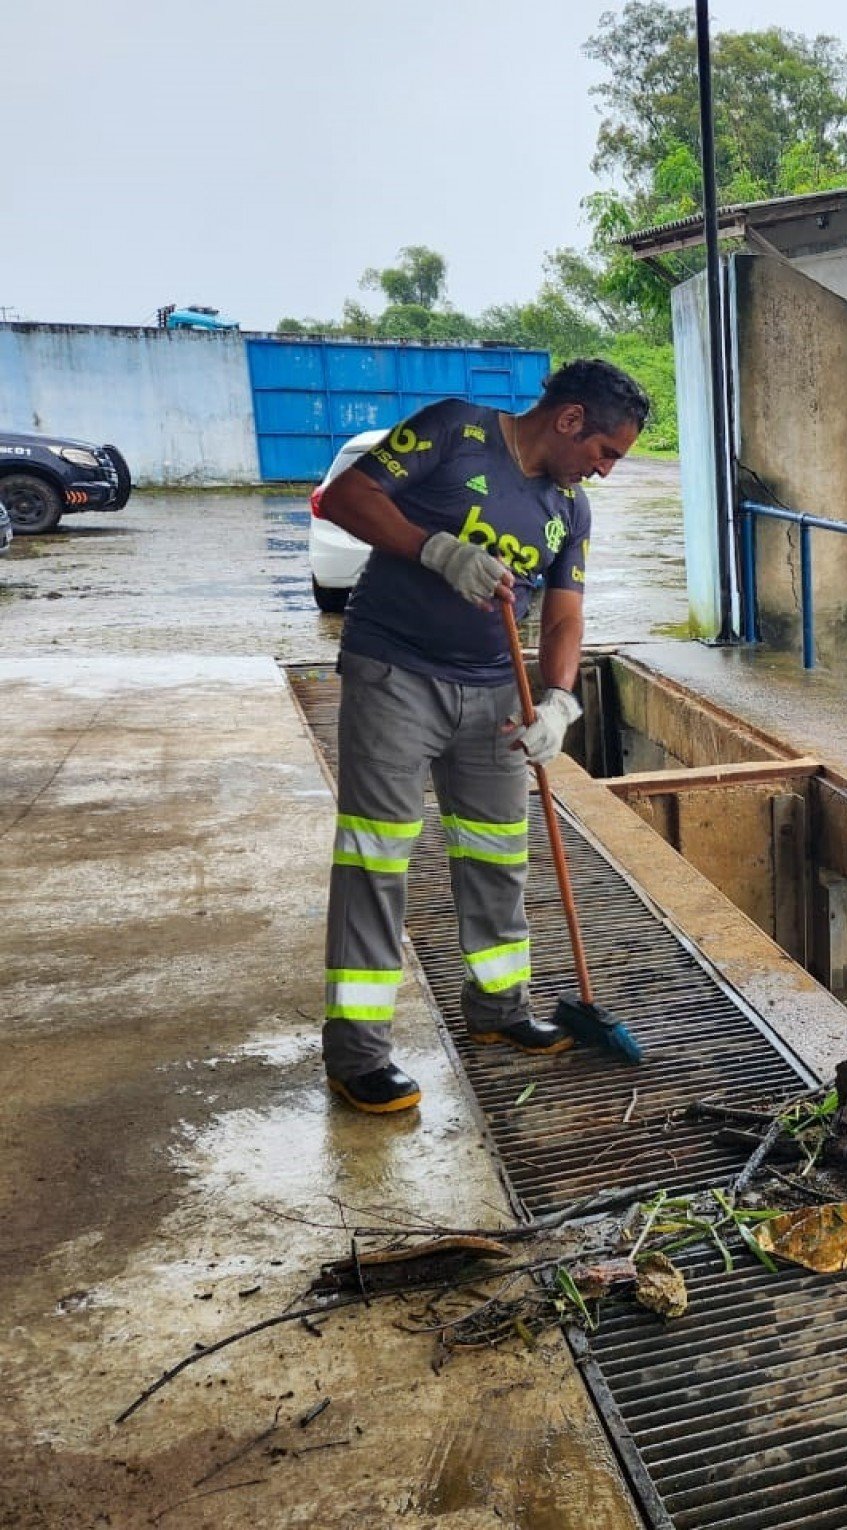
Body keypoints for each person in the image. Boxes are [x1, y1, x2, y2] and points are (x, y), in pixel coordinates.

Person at [317, 359, 651, 1113]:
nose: (602, 472)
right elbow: (345, 497)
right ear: (569, 420)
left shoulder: (570, 509)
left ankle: (499, 1010)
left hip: (499, 692)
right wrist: (435, 548)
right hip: (395, 673)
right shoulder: (453, 430)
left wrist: (559, 703)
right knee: (377, 856)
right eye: (604, 453)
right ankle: (359, 1055)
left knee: (498, 854)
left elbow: (564, 612)